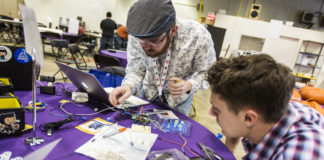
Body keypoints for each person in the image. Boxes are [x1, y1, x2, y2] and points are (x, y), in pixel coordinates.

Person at [108, 0, 216, 116]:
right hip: (148, 94)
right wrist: (128, 86)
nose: (146, 48)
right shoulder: (137, 34)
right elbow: (136, 69)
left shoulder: (198, 37)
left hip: (178, 101)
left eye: (154, 41)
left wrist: (189, 85)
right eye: (141, 42)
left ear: (173, 31)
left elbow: (209, 73)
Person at [207, 54, 324, 159]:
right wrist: (228, 153)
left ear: (249, 118)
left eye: (217, 110)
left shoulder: (298, 154)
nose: (210, 113)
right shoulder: (273, 107)